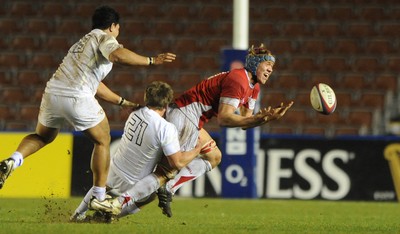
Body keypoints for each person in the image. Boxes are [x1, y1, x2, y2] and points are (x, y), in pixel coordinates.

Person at [0, 5, 176, 213]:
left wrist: (122, 101)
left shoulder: (81, 43)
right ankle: (99, 197)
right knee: (102, 140)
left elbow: (96, 85)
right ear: (113, 25)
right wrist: (152, 60)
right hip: (76, 95)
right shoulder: (104, 38)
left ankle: (13, 160)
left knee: (43, 137)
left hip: (53, 93)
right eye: (118, 27)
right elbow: (118, 55)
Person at [155, 43, 294, 217]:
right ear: (255, 63)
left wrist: (266, 119)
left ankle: (168, 188)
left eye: (272, 67)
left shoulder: (254, 87)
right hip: (185, 114)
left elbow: (244, 122)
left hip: (192, 119)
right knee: (162, 173)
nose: (271, 70)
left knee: (214, 157)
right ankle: (121, 202)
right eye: (268, 65)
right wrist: (258, 118)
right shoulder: (238, 79)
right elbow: (224, 118)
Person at [70, 81, 204, 222]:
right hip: (136, 181)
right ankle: (110, 214)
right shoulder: (166, 128)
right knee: (157, 186)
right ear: (167, 104)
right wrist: (197, 150)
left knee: (101, 186)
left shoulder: (135, 113)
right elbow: (177, 162)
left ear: (146, 98)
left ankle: (78, 214)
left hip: (116, 168)